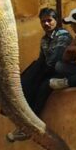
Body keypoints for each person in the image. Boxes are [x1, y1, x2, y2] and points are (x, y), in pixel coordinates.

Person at [5, 8, 72, 142]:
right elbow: (43, 59)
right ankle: (24, 123)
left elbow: (55, 59)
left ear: (56, 21)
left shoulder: (63, 35)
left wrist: (37, 72)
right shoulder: (44, 40)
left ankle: (30, 126)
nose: (46, 24)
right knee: (28, 83)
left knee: (37, 83)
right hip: (48, 70)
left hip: (62, 69)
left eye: (49, 20)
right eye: (43, 21)